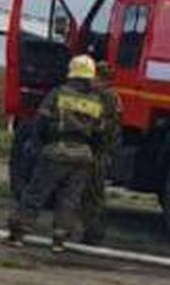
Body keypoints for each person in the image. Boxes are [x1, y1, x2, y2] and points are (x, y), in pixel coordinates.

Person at [9, 54, 111, 252]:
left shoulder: (58, 94)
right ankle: (59, 240)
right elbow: (101, 132)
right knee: (69, 198)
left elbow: (41, 121)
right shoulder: (97, 101)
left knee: (36, 193)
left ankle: (18, 234)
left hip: (57, 150)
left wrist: (39, 144)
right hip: (83, 155)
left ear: (72, 74)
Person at [80, 62, 121, 243]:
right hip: (103, 150)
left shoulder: (103, 96)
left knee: (91, 194)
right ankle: (93, 233)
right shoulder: (113, 97)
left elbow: (99, 125)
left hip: (96, 151)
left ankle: (93, 234)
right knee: (95, 193)